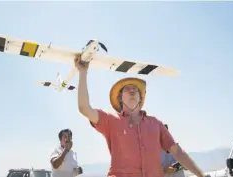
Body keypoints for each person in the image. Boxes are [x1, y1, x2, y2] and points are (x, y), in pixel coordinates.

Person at [75, 56, 207, 177]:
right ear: (120, 98)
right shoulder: (111, 121)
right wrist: (83, 72)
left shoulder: (156, 124)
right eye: (127, 89)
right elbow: (84, 108)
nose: (132, 90)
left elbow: (177, 152)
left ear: (140, 97)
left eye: (136, 89)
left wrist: (202, 175)